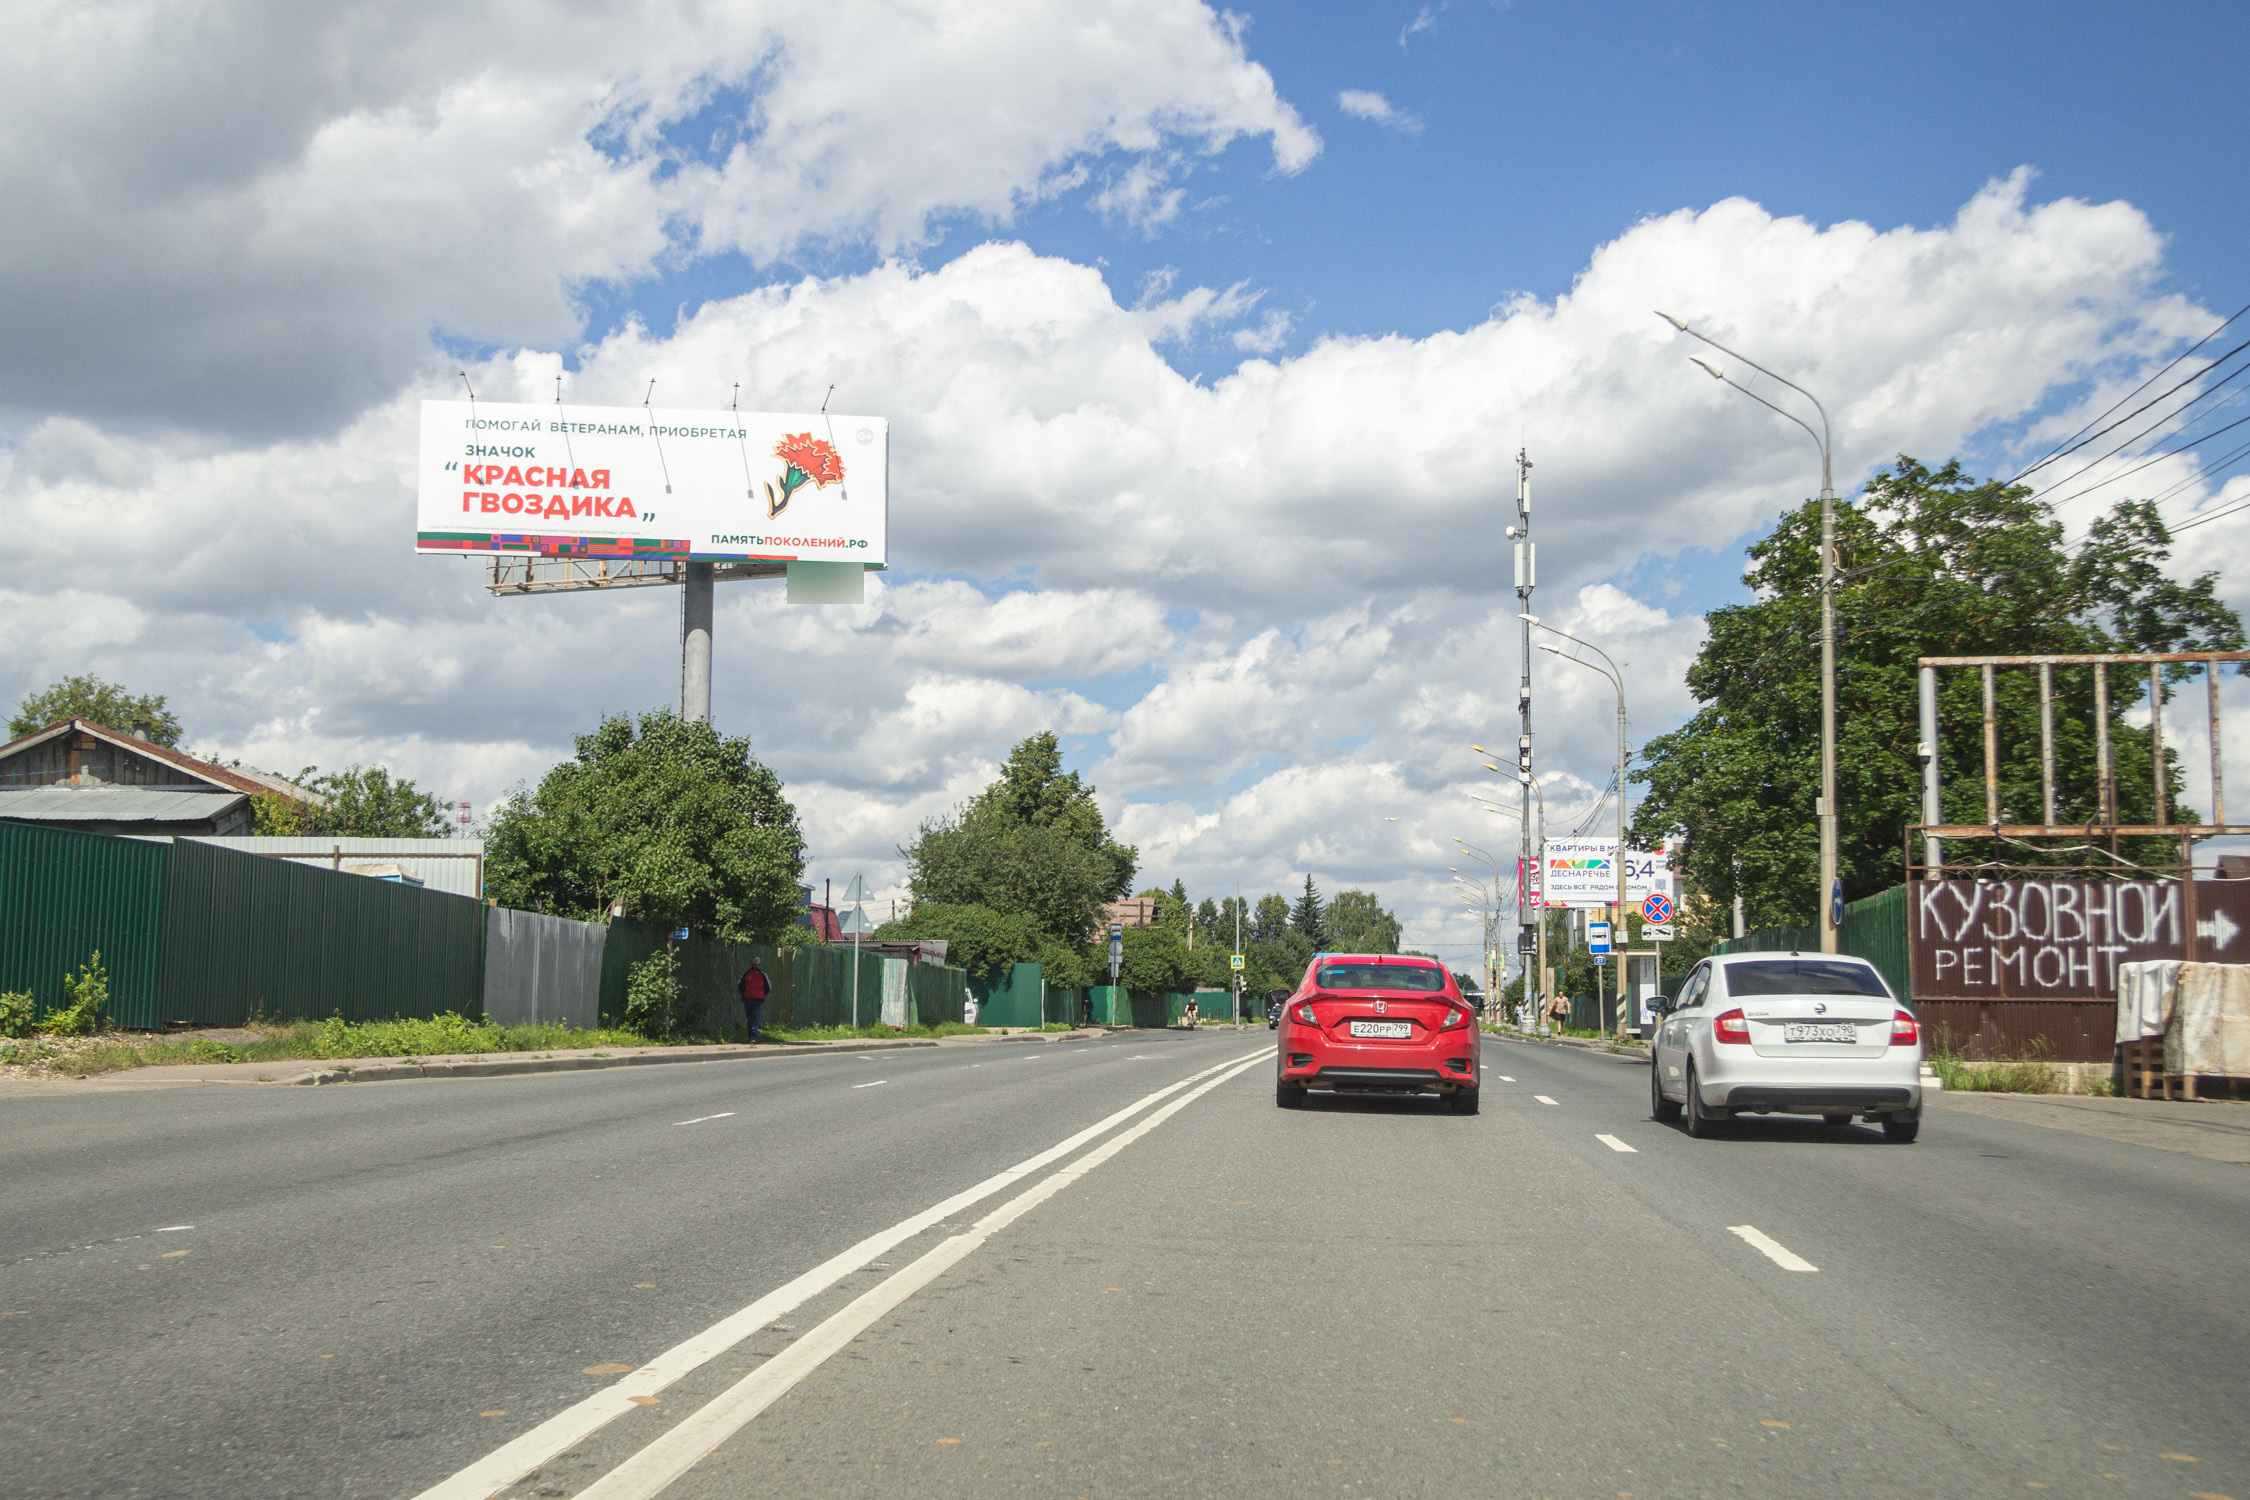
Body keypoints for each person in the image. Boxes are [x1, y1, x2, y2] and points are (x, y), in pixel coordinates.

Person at [738, 957, 770, 1043]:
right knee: (756, 1018)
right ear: (759, 965)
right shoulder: (763, 975)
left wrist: (743, 995)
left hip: (747, 999)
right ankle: (754, 1036)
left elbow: (740, 986)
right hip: (758, 999)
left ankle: (750, 1036)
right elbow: (768, 988)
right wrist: (762, 994)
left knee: (750, 1018)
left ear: (751, 964)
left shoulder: (746, 974)